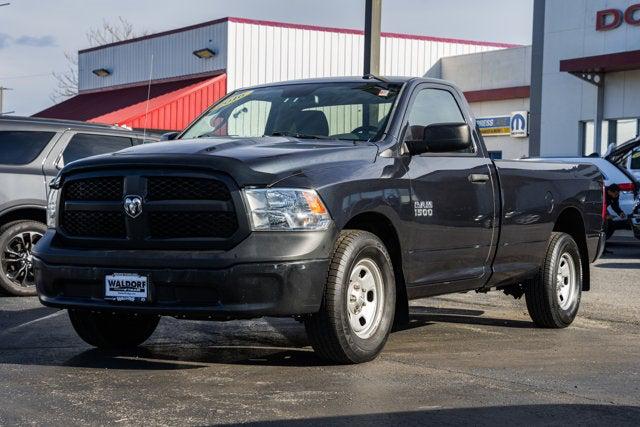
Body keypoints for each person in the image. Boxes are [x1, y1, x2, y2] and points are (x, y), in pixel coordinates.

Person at [603, 183, 626, 254]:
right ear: (609, 191)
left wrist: (620, 213)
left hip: (604, 209)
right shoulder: (602, 193)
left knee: (611, 225)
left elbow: (615, 205)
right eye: (615, 194)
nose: (616, 196)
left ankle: (603, 244)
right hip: (597, 208)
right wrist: (605, 216)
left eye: (617, 194)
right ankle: (601, 247)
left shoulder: (615, 195)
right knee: (604, 226)